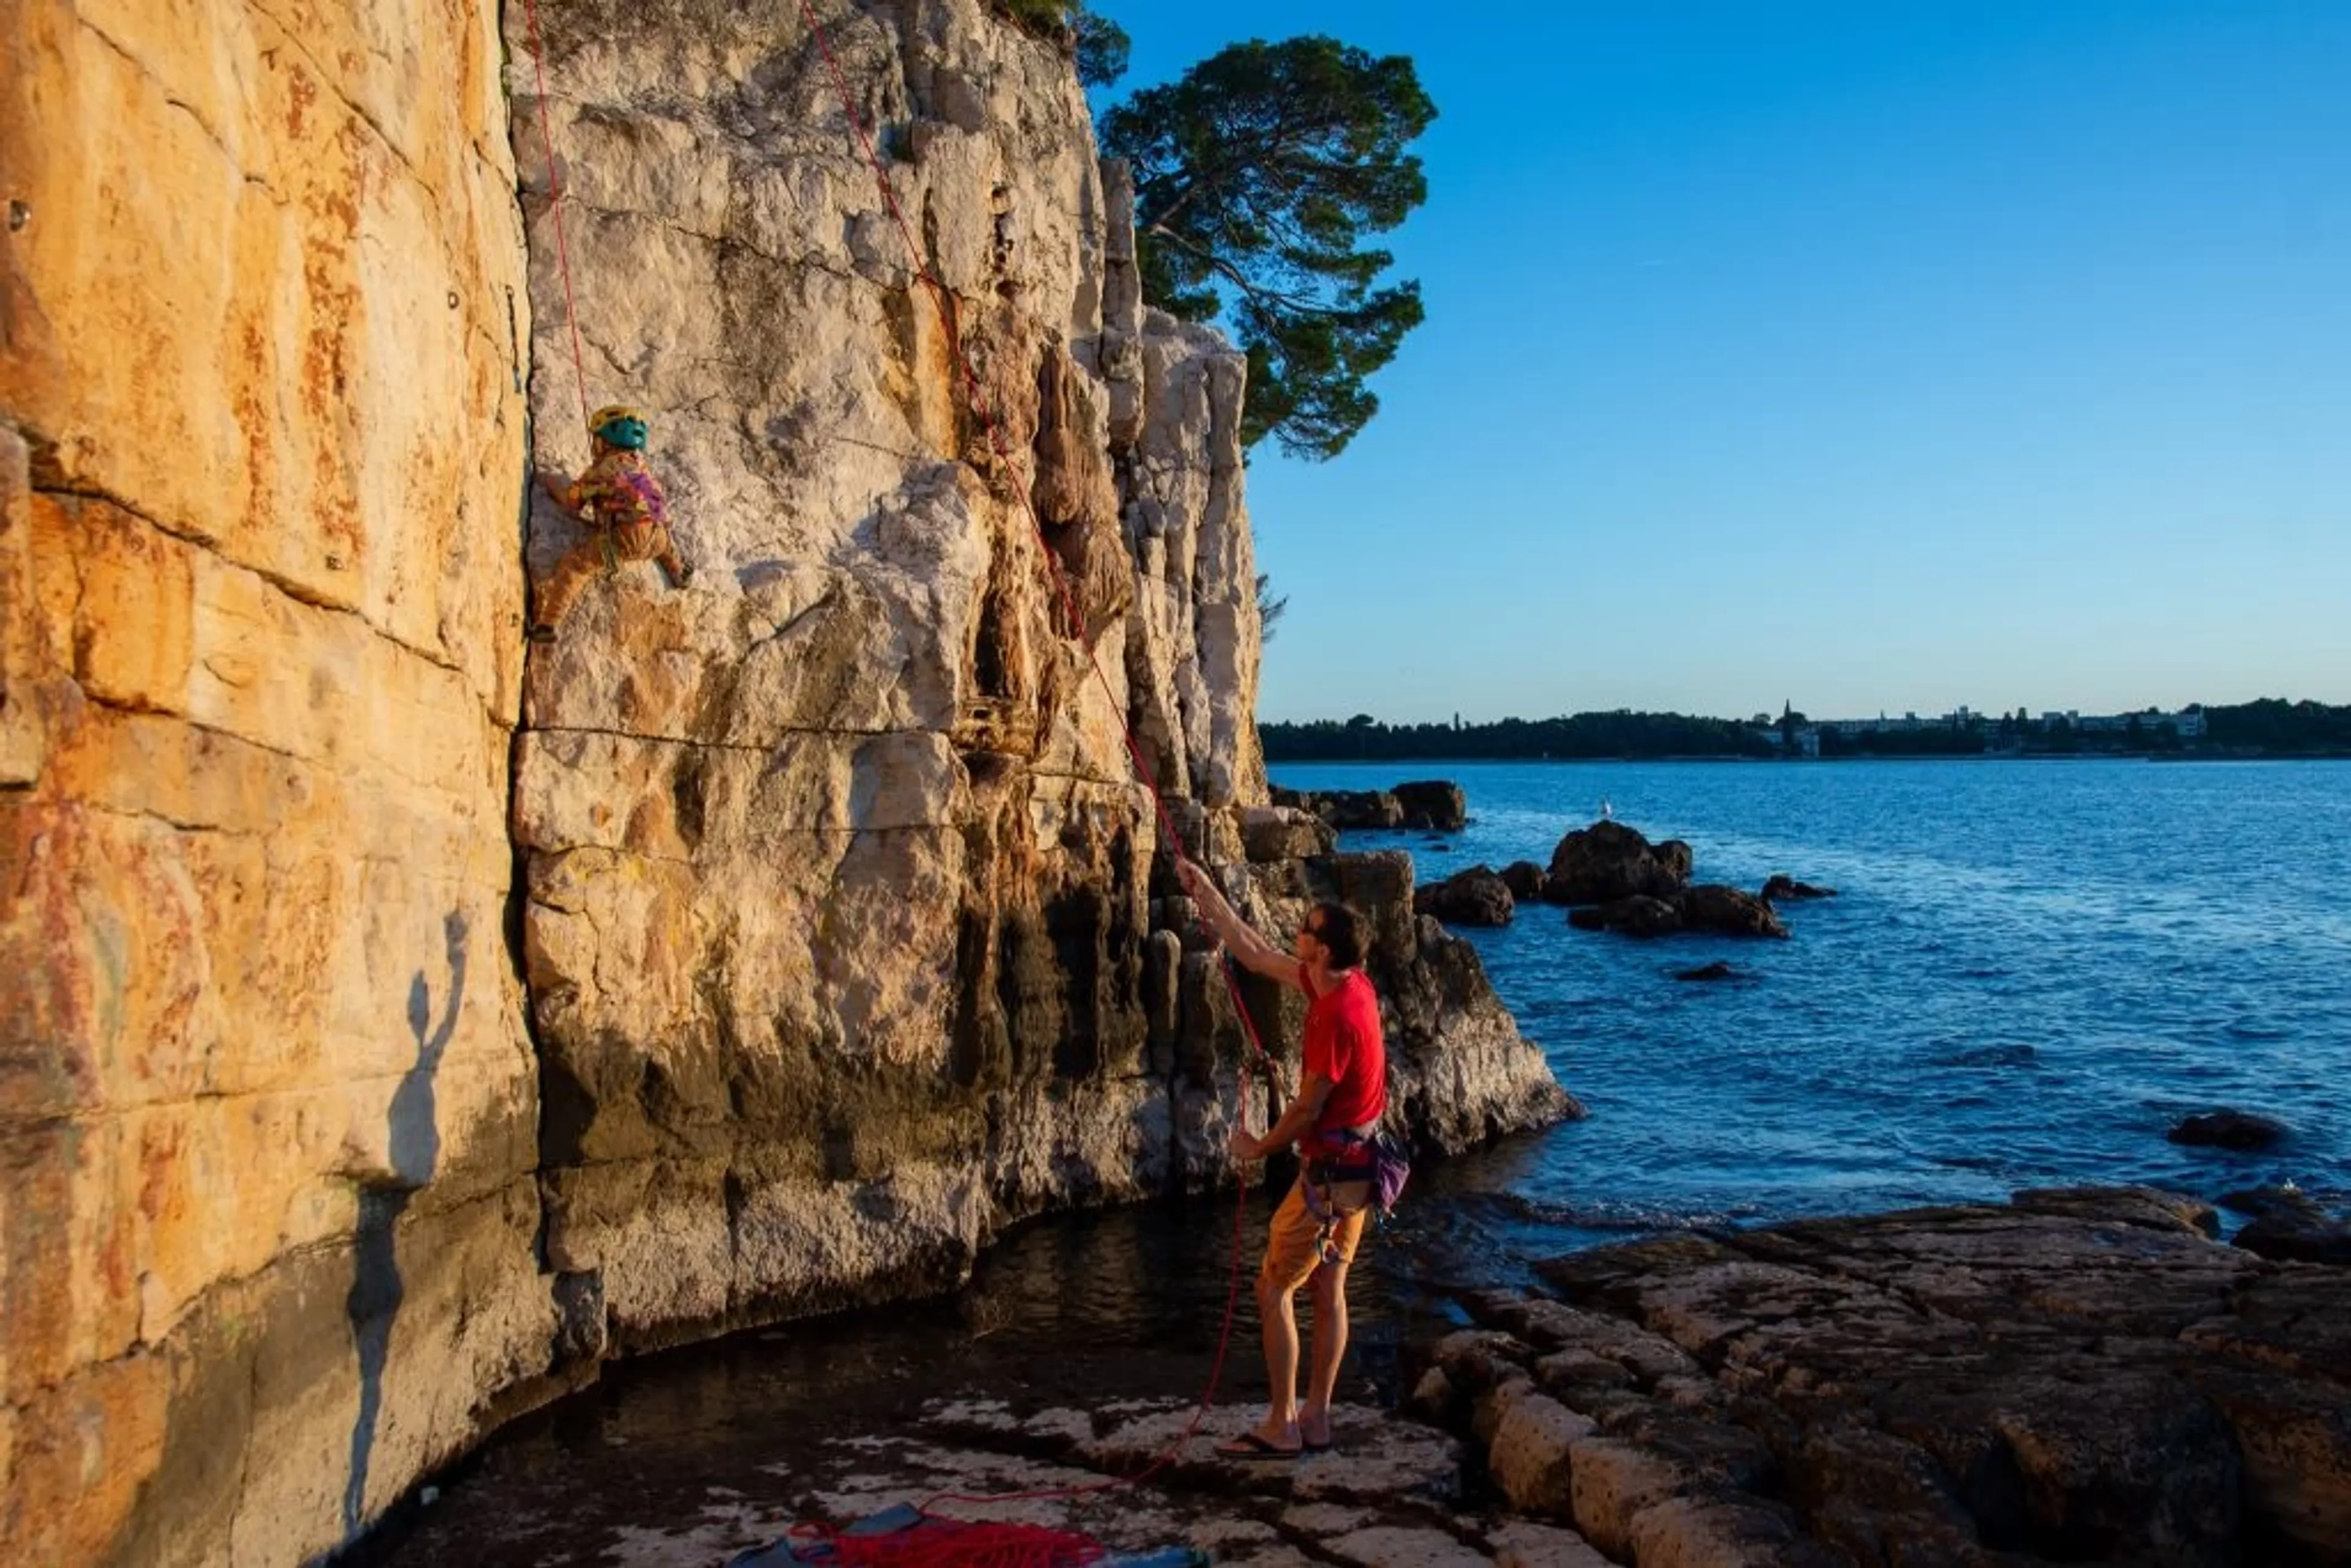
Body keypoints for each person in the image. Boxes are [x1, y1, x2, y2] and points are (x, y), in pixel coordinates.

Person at [1176, 858, 1388, 1459]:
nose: (1297, 933)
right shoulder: (1347, 983)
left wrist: (1258, 1146)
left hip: (1330, 1176)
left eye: (1306, 929)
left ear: (1321, 950)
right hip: (1361, 1171)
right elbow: (1256, 954)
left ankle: (1282, 1424)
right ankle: (1316, 1417)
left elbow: (1306, 1109)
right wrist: (1208, 891)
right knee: (1330, 1289)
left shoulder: (1334, 1016)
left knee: (1272, 1288)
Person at [527, 403, 692, 640]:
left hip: (625, 540)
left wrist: (549, 482)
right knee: (662, 543)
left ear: (604, 441)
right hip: (658, 538)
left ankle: (548, 624)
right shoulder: (641, 467)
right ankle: (678, 571)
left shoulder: (602, 469)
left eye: (595, 438)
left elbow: (572, 502)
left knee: (576, 566)